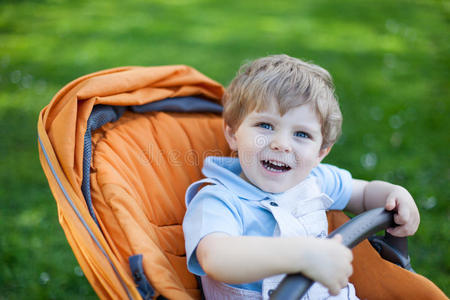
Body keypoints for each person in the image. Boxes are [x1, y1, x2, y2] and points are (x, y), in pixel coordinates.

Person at [182, 54, 420, 299]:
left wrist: (394, 195)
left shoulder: (316, 180)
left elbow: (364, 193)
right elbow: (217, 257)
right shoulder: (217, 200)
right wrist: (301, 255)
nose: (281, 144)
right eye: (265, 125)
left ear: (321, 152)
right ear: (232, 134)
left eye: (302, 134)